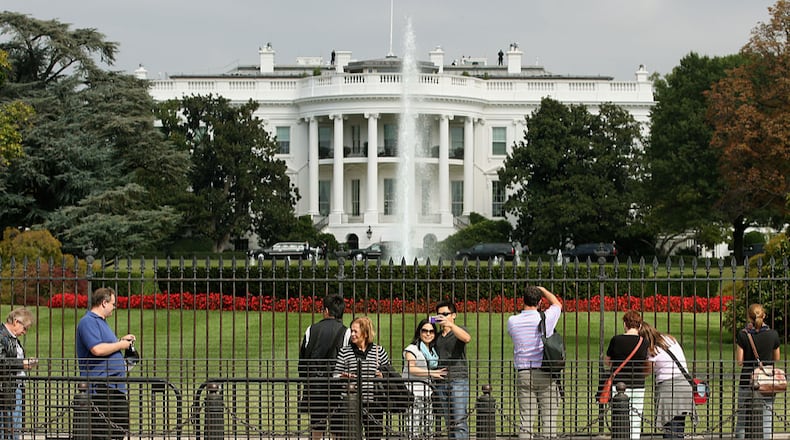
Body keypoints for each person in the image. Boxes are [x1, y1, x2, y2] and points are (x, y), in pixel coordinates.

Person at [76, 287, 136, 440]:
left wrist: (121, 341)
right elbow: (97, 349)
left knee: (119, 430)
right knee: (103, 433)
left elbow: (107, 347)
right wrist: (121, 345)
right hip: (101, 388)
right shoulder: (88, 321)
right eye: (113, 304)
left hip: (116, 387)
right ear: (104, 303)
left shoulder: (102, 322)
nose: (114, 308)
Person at [507, 285, 562, 439]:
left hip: (524, 371)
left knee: (526, 421)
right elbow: (557, 304)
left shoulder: (512, 321)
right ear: (539, 302)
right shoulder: (545, 318)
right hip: (544, 371)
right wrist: (543, 290)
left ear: (523, 300)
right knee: (549, 420)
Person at [298, 294, 350, 440]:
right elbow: (347, 358)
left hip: (315, 384)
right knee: (337, 425)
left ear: (326, 310)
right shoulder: (346, 332)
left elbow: (303, 359)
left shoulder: (311, 329)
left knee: (316, 425)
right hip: (337, 384)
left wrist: (306, 379)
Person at [333, 317, 390, 440]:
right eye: (351, 331)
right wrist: (343, 376)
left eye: (355, 331)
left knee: (374, 436)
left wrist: (382, 375)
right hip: (351, 402)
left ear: (365, 333)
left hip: (373, 403)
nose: (352, 334)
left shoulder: (378, 351)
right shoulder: (345, 352)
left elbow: (389, 373)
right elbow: (335, 375)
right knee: (351, 436)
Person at [639, 322, 695, 439]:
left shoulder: (652, 349)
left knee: (670, 427)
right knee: (679, 425)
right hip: (685, 385)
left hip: (669, 389)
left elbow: (646, 371)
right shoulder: (670, 339)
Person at [734, 303, 781, 439]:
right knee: (767, 419)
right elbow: (776, 358)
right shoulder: (773, 334)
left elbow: (740, 361)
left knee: (742, 419)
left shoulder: (743, 335)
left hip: (747, 379)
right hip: (766, 379)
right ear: (764, 315)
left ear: (749, 317)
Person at [604, 310, 649, 440]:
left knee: (618, 417)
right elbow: (647, 362)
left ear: (625, 324)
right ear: (639, 326)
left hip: (618, 383)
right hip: (638, 383)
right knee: (636, 418)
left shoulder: (616, 340)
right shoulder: (644, 342)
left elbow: (607, 361)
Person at [403, 319, 448, 438]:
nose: (428, 334)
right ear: (419, 332)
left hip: (427, 391)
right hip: (413, 392)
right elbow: (411, 368)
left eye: (431, 331)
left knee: (428, 425)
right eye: (425, 331)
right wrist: (432, 373)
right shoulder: (412, 349)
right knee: (413, 425)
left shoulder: (432, 351)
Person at [433, 300, 472, 440]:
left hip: (458, 380)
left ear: (453, 315)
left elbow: (467, 338)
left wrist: (450, 325)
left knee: (459, 420)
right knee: (449, 422)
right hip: (441, 381)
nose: (442, 317)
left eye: (445, 314)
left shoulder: (459, 330)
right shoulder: (436, 337)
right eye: (439, 315)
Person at [0, 309, 37, 440]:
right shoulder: (2, 336)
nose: (25, 332)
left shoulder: (11, 338)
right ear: (16, 322)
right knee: (9, 429)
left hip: (15, 387)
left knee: (13, 428)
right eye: (25, 328)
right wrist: (22, 364)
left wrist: (27, 364)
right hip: (7, 388)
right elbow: (1, 361)